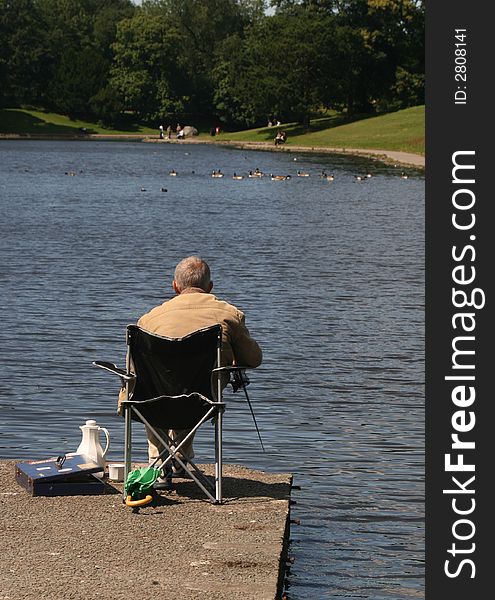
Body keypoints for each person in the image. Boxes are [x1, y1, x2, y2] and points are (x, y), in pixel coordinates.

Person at [121, 256, 262, 477]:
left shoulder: (148, 320)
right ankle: (179, 459)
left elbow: (134, 373)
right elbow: (254, 359)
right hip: (203, 401)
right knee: (195, 385)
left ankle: (158, 464)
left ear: (175, 286)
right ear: (209, 287)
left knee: (149, 387)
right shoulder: (229, 314)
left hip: (152, 403)